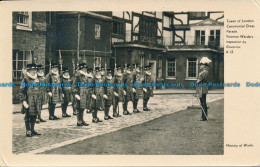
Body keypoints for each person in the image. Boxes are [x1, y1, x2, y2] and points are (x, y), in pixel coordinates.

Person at [20, 63, 41, 137]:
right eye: (32, 70)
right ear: (29, 70)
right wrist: (23, 100)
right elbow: (22, 90)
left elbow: (39, 88)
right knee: (28, 115)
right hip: (28, 99)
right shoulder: (25, 79)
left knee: (34, 115)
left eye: (35, 70)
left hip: (36, 99)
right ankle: (28, 130)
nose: (34, 71)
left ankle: (32, 129)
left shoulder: (37, 78)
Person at [196, 57, 211, 121]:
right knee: (202, 103)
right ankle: (203, 116)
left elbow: (200, 80)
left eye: (201, 65)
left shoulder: (204, 72)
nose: (200, 66)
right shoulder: (203, 72)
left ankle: (204, 117)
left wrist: (197, 81)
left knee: (203, 103)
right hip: (201, 88)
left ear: (204, 65)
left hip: (202, 88)